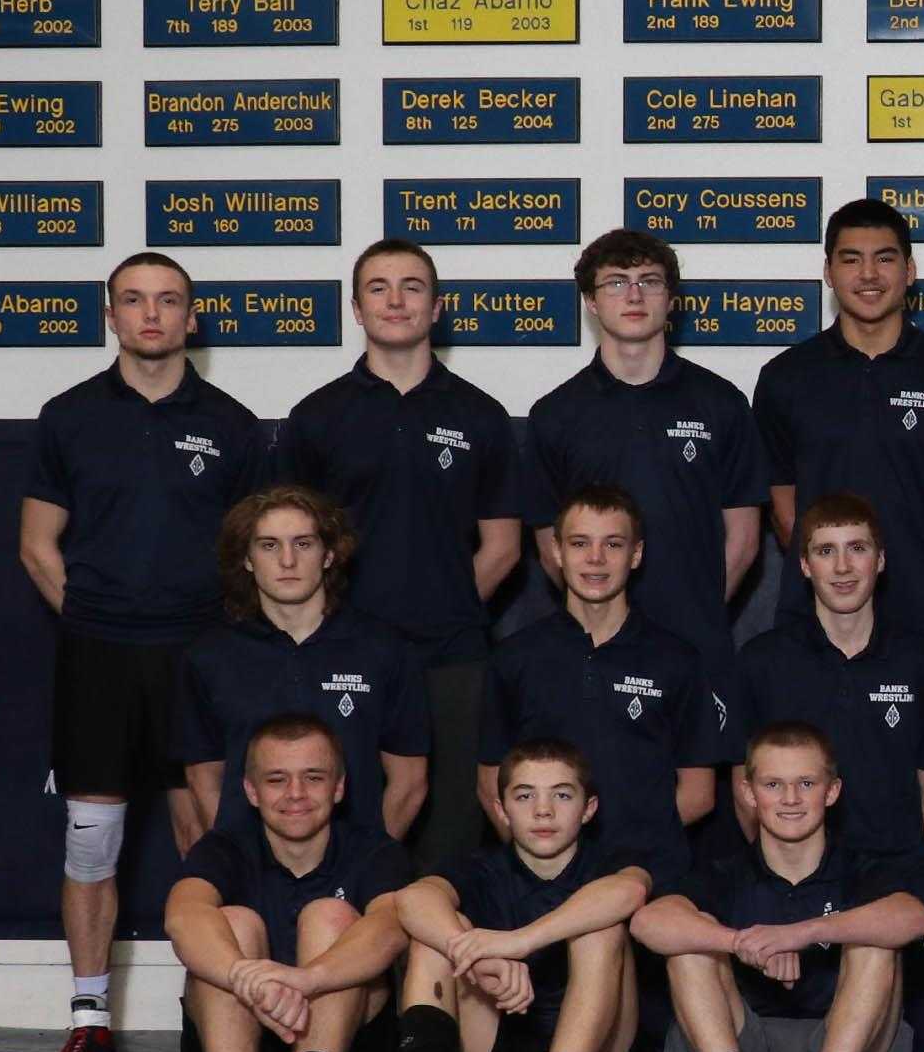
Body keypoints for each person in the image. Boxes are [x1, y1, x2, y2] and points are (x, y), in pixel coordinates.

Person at [19, 249, 267, 1052]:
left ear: (192, 318)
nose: (151, 314)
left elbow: (256, 557)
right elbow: (38, 545)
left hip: (201, 657)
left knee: (212, 837)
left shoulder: (233, 425)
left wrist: (210, 642)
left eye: (167, 301)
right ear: (111, 316)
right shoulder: (68, 417)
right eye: (134, 300)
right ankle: (90, 1021)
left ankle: (217, 1009)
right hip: (99, 656)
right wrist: (101, 622)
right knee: (92, 842)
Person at [274, 235, 522, 872]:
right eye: (378, 289)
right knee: (348, 818)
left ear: (436, 307)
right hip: (344, 651)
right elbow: (289, 545)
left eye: (412, 288)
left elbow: (502, 545)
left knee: (453, 833)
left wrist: (442, 605)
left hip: (453, 652)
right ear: (357, 309)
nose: (396, 301)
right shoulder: (316, 417)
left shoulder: (480, 415)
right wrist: (353, 627)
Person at [751, 198, 924, 814]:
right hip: (812, 624)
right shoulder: (785, 378)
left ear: (909, 272)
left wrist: (913, 579)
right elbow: (782, 505)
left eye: (885, 259)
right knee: (798, 785)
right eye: (851, 259)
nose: (868, 274)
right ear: (828, 272)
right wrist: (835, 578)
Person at [631, 722, 924, 1052]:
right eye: (773, 785)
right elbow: (647, 922)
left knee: (874, 936)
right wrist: (742, 943)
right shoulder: (724, 873)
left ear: (832, 792)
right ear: (749, 793)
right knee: (690, 943)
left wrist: (800, 933)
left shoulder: (862, 869)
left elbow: (913, 917)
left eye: (806, 784)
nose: (790, 799)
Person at [521, 228, 764, 721]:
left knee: (701, 772)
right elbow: (550, 544)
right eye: (616, 282)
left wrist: (696, 612)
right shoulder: (555, 414)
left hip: (696, 643)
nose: (633, 295)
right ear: (591, 302)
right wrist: (602, 616)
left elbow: (742, 539)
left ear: (671, 300)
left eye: (649, 282)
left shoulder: (721, 404)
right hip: (594, 646)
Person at [385, 740, 653, 1052]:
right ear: (501, 810)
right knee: (436, 936)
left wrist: (516, 943)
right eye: (525, 796)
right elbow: (412, 900)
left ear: (589, 809)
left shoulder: (610, 861)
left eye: (562, 795)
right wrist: (478, 958)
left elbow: (629, 892)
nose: (543, 810)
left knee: (601, 926)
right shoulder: (481, 867)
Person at [164, 715, 409, 1052]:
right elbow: (182, 915)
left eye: (313, 778)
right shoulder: (224, 848)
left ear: (339, 787)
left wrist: (307, 979)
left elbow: (392, 927)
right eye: (277, 779)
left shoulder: (374, 850)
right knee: (232, 922)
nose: (295, 794)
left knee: (332, 917)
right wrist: (245, 977)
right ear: (251, 791)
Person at [477, 485, 733, 886]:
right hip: (546, 880)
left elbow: (699, 793)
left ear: (636, 554)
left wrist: (630, 864)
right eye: (580, 543)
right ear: (557, 551)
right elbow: (490, 781)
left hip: (646, 878)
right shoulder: (514, 657)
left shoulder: (677, 660)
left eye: (613, 544)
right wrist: (543, 861)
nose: (595, 558)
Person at [175, 484, 429, 844]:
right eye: (269, 545)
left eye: (303, 544)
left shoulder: (385, 650)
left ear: (328, 555)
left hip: (356, 868)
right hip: (246, 867)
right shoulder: (208, 656)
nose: (287, 560)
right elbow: (203, 778)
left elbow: (409, 780)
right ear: (247, 559)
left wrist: (369, 862)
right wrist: (236, 859)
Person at [734, 491, 924, 866]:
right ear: (805, 565)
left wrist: (913, 876)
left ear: (880, 559)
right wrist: (781, 875)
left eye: (857, 548)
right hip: (796, 880)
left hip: (893, 878)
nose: (842, 567)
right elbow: (743, 788)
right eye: (826, 551)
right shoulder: (761, 662)